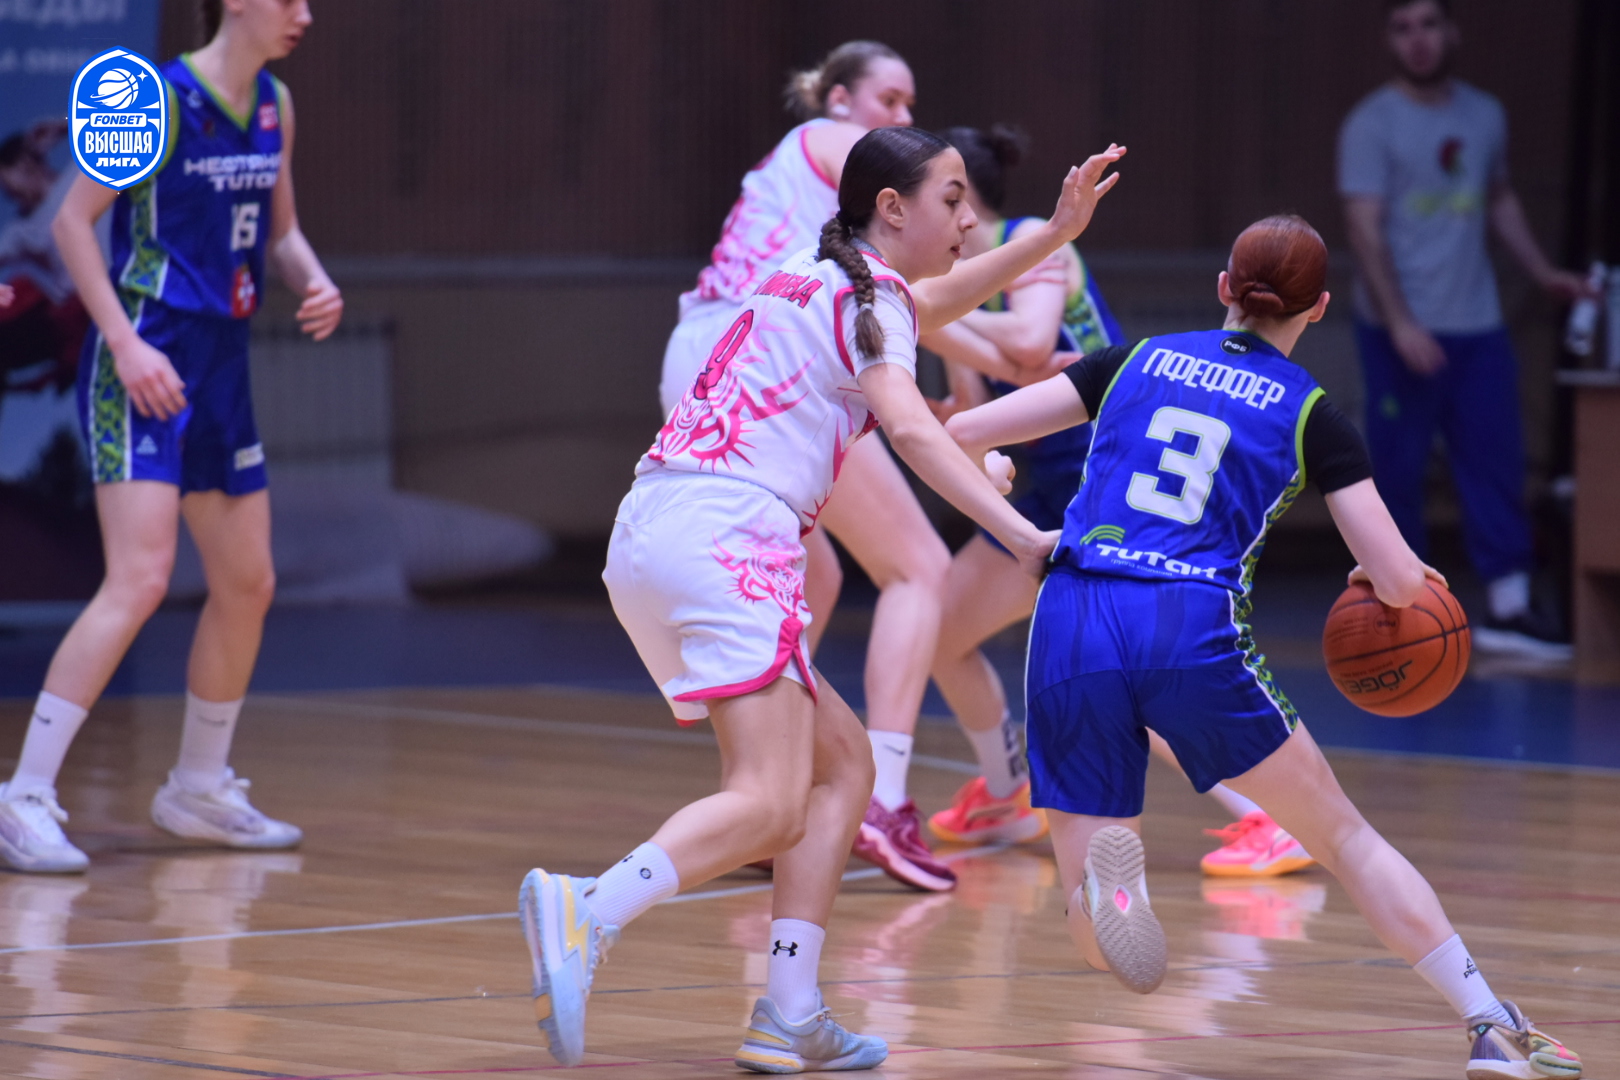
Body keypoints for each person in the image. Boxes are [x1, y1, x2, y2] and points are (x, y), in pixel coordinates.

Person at [520, 129, 1125, 1071]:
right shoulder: (868, 296)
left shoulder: (815, 273)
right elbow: (915, 432)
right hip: (729, 539)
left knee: (841, 772)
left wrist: (1053, 234)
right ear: (892, 207)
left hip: (657, 532)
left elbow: (934, 302)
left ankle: (790, 1010)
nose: (969, 219)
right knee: (770, 803)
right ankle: (589, 907)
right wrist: (1023, 536)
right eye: (952, 200)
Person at [946, 215, 1583, 1080]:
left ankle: (1104, 896)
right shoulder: (1313, 412)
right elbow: (1401, 584)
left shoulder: (1130, 360)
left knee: (1094, 930)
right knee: (1346, 839)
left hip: (1073, 615)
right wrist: (1387, 579)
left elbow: (960, 436)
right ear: (1318, 308)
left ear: (1223, 287)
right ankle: (1490, 1025)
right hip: (1191, 623)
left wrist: (1000, 493)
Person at [0, 0, 343, 873]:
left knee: (248, 582)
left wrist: (314, 279)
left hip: (221, 361)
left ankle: (198, 785)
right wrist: (123, 342)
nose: (305, 15)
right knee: (141, 578)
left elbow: (281, 233)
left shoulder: (277, 105)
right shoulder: (151, 97)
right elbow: (71, 223)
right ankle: (24, 796)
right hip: (143, 355)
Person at [918, 125, 1312, 879]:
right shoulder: (953, 280)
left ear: (961, 200)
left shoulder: (1028, 241)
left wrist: (920, 312)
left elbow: (1029, 346)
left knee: (1116, 669)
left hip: (1101, 473)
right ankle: (1006, 791)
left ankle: (1270, 815)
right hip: (1044, 478)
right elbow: (975, 400)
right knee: (938, 629)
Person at [658, 41, 961, 892]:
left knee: (813, 578)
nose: (902, 119)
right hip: (764, 358)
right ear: (836, 100)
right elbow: (907, 297)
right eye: (889, 100)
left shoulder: (808, 205)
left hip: (717, 352)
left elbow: (911, 303)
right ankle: (883, 798)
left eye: (909, 104)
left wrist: (986, 353)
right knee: (919, 566)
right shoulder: (840, 149)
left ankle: (762, 798)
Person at [1339, 0, 1600, 660]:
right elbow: (1364, 232)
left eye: (1429, 24)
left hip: (1477, 325)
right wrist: (1400, 321)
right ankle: (1398, 610)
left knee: (1494, 461)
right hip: (1399, 331)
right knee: (1394, 472)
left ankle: (1509, 607)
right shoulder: (1371, 123)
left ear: (1451, 32)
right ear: (1389, 41)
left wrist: (1542, 272)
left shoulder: (1485, 115)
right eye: (1403, 28)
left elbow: (1499, 197)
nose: (1418, 39)